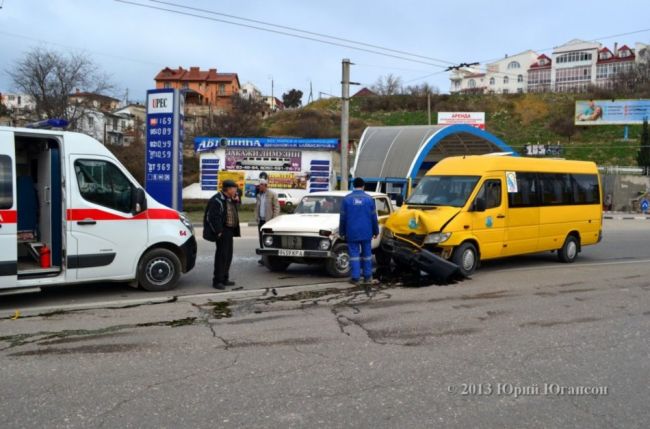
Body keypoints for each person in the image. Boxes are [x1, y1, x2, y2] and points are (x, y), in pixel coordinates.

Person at [339, 177, 379, 287]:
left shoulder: (346, 199)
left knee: (354, 255)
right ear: (363, 186)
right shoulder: (369, 199)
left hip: (352, 232)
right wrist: (376, 231)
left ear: (353, 185)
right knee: (367, 255)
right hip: (367, 232)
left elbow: (343, 218)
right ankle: (367, 277)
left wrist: (342, 231)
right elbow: (373, 217)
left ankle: (355, 278)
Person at [204, 180, 241, 289]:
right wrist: (219, 231)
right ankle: (217, 281)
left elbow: (234, 207)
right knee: (221, 256)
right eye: (234, 188)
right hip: (222, 232)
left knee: (228, 256)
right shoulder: (217, 200)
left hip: (229, 231)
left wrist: (236, 201)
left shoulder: (229, 199)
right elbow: (212, 217)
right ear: (228, 189)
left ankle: (225, 278)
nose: (236, 190)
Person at [254, 179, 280, 264]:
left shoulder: (272, 194)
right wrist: (256, 216)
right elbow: (257, 207)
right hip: (261, 220)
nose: (258, 187)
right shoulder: (259, 195)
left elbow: (277, 207)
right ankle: (263, 258)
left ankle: (271, 258)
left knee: (269, 240)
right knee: (261, 239)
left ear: (264, 185)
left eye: (260, 185)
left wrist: (274, 219)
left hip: (269, 221)